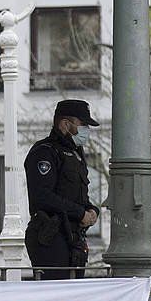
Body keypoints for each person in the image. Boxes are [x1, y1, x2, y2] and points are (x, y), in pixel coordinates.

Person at [24, 99, 100, 280]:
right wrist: (80, 213)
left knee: (73, 300)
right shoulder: (45, 152)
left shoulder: (76, 154)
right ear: (65, 124)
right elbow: (42, 196)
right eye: (83, 125)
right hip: (51, 236)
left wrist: (92, 211)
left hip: (73, 237)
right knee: (56, 297)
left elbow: (77, 195)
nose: (86, 131)